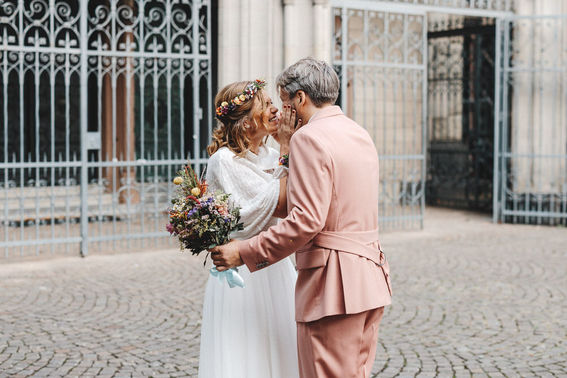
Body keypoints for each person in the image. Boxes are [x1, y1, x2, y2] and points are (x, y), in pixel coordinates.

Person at [211, 58, 392, 378]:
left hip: (333, 285)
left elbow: (306, 220)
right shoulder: (358, 132)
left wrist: (242, 252)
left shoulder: (309, 138)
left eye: (283, 102)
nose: (281, 112)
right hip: (370, 277)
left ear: (300, 99)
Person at [198, 79, 301, 378]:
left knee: (282, 348)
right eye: (265, 105)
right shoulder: (224, 161)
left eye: (272, 103)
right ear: (245, 124)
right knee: (245, 357)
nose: (275, 110)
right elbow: (267, 207)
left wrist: (283, 152)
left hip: (276, 266)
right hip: (240, 272)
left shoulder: (271, 157)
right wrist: (286, 147)